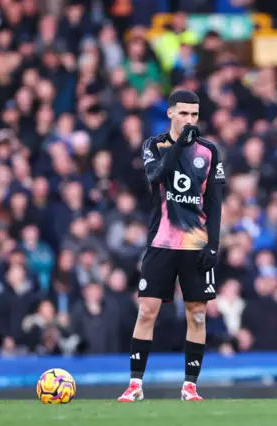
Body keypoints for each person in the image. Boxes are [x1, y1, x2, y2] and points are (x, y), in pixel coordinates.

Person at [118, 90, 226, 402]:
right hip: (161, 241)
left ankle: (190, 386)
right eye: (184, 114)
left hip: (196, 244)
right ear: (170, 114)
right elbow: (155, 174)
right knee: (147, 310)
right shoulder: (154, 145)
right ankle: (135, 385)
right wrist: (181, 143)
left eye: (194, 115)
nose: (190, 120)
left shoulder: (209, 151)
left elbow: (215, 202)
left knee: (197, 313)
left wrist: (214, 245)